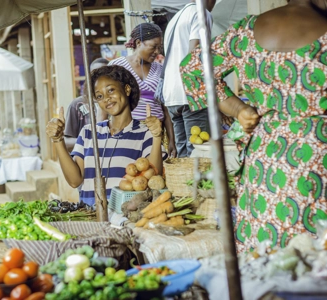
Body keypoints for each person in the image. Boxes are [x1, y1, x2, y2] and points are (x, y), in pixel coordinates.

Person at [180, 0, 327, 252]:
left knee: (268, 249)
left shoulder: (246, 31)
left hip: (265, 163)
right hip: (317, 159)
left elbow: (193, 68)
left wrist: (239, 109)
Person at [46, 65, 164, 206]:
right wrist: (58, 140)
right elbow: (74, 181)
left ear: (126, 90)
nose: (106, 98)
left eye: (111, 90)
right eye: (100, 96)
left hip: (126, 217)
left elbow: (154, 177)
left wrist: (157, 137)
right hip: (89, 215)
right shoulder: (88, 133)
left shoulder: (146, 133)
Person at [108, 23, 177, 158]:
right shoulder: (116, 67)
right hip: (126, 132)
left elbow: (166, 109)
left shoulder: (160, 70)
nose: (157, 51)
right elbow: (106, 103)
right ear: (139, 43)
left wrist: (171, 140)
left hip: (156, 133)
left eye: (159, 47)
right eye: (153, 46)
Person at [163, 0, 217, 157]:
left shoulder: (175, 18)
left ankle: (184, 182)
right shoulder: (202, 13)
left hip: (172, 96)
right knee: (199, 153)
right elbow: (195, 58)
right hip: (191, 94)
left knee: (183, 156)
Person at [64, 58, 109, 152]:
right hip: (86, 161)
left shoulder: (116, 104)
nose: (100, 78)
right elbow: (67, 143)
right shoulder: (77, 105)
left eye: (105, 74)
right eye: (95, 74)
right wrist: (89, 141)